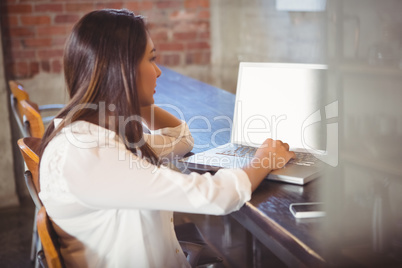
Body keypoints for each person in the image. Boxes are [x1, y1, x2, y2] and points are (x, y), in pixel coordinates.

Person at [38, 9, 295, 268]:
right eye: (151, 60)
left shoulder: (97, 136)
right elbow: (217, 195)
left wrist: (127, 97)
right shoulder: (87, 155)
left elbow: (180, 138)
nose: (158, 71)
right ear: (121, 70)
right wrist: (265, 158)